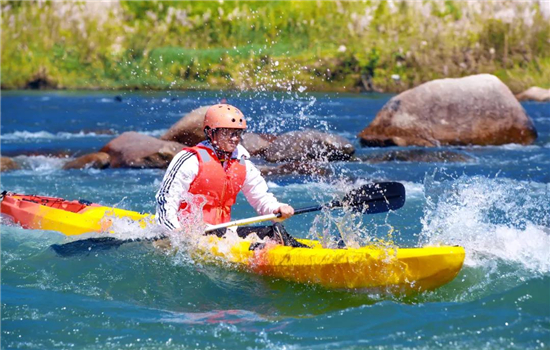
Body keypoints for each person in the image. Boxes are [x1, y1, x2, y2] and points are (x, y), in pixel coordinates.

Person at [155, 103, 308, 248]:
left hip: (222, 232)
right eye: (227, 132)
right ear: (210, 133)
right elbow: (166, 199)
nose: (234, 138)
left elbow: (261, 198)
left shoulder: (242, 163)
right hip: (190, 233)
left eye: (237, 133)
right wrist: (175, 233)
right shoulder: (190, 160)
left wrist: (277, 208)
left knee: (274, 232)